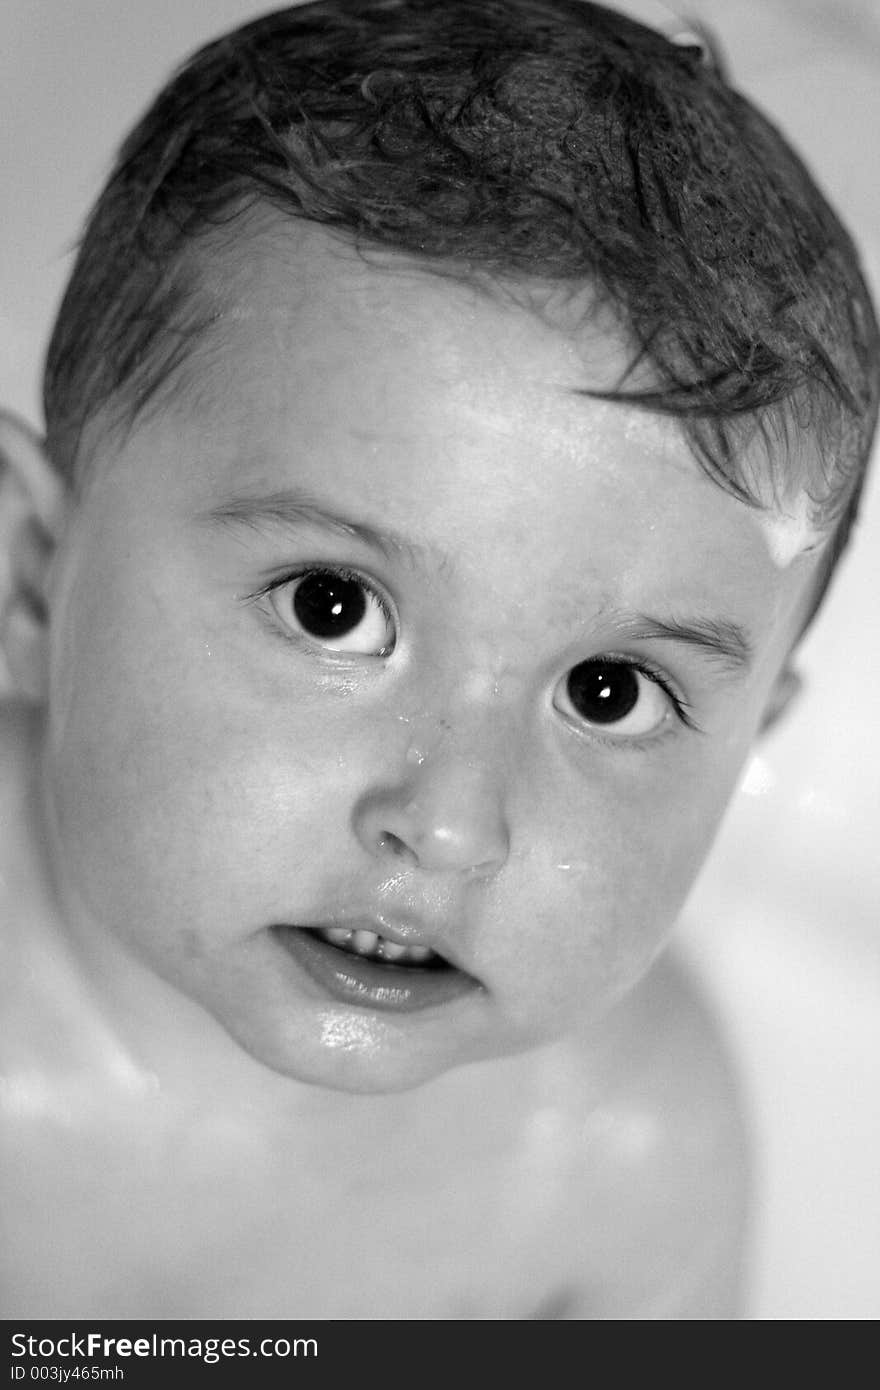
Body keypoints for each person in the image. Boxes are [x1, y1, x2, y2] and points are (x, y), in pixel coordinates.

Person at [1, 0, 877, 1321]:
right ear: (28, 575)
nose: (453, 824)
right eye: (333, 606)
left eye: (610, 691)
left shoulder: (623, 1161)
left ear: (750, 746)